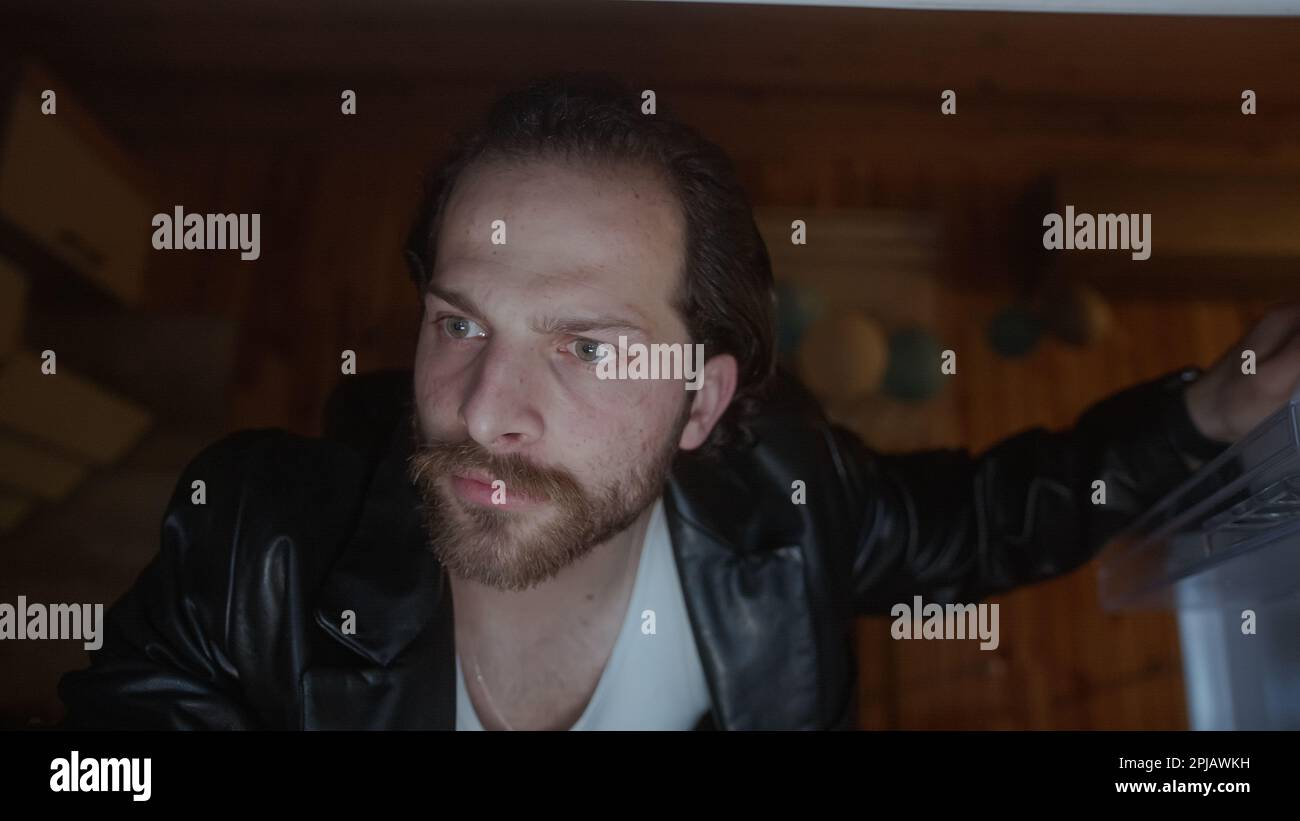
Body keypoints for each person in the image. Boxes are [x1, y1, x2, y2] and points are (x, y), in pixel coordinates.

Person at [58, 74, 1300, 730]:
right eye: (459, 321)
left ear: (699, 405)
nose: (485, 408)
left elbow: (990, 518)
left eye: (586, 347)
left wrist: (1210, 415)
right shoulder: (253, 539)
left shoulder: (798, 509)